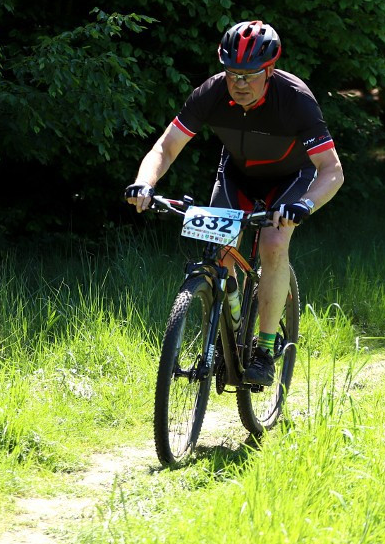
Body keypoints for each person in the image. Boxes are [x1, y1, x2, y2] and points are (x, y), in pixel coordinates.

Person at [125, 20, 344, 386]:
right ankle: (226, 331)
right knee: (220, 253)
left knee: (274, 243)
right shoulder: (210, 93)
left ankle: (265, 349)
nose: (239, 83)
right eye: (232, 73)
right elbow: (164, 147)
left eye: (249, 75)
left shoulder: (294, 99)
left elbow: (332, 170)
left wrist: (305, 205)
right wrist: (144, 183)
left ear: (270, 70)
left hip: (291, 180)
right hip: (238, 176)